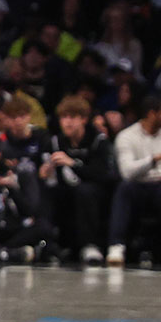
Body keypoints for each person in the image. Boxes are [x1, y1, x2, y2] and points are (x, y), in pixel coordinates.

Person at [109, 94, 161, 268]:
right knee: (124, 188)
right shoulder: (126, 136)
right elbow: (127, 172)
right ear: (152, 114)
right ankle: (116, 245)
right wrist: (156, 158)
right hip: (138, 187)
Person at [43, 95, 117, 265]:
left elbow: (103, 175)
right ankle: (50, 244)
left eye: (73, 117)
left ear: (84, 119)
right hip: (66, 190)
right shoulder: (55, 142)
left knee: (85, 191)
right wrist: (45, 172)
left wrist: (73, 163)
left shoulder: (98, 140)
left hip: (97, 192)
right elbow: (50, 175)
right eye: (64, 117)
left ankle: (90, 245)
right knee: (48, 192)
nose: (67, 122)